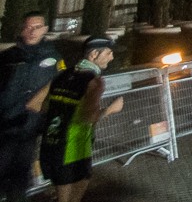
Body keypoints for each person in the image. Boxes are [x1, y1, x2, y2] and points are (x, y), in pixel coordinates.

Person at [35, 35, 122, 202]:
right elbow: (88, 116)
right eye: (108, 53)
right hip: (74, 150)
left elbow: (38, 105)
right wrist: (111, 109)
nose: (112, 58)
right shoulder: (94, 81)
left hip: (52, 145)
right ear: (93, 54)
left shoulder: (61, 75)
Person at [0, 12, 64, 201]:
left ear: (44, 30)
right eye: (28, 27)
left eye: (37, 27)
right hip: (5, 125)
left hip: (30, 126)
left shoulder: (54, 59)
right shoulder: (8, 56)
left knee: (20, 174)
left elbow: (61, 86)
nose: (31, 31)